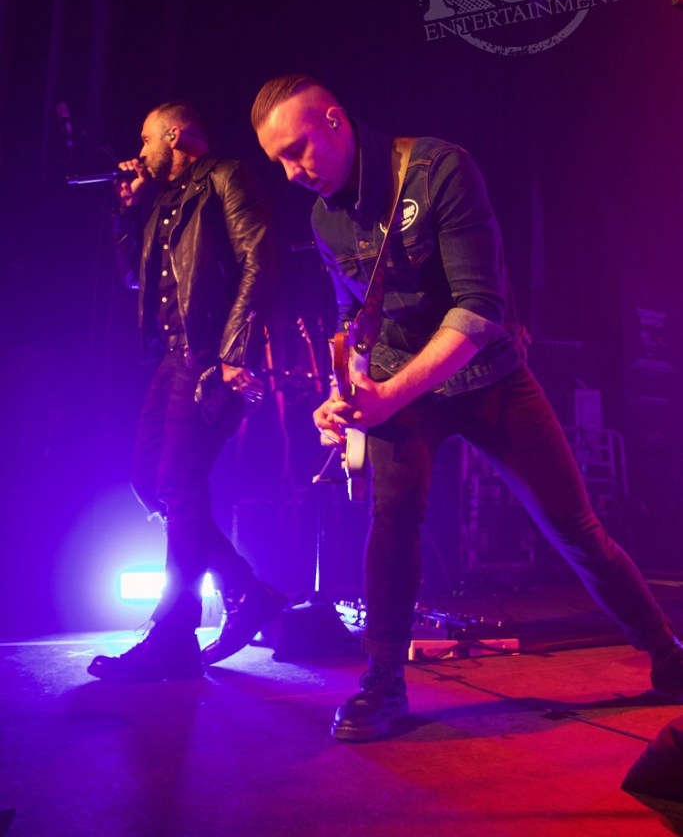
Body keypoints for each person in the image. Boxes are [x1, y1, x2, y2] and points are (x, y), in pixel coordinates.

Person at [251, 74, 683, 741]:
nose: (290, 173)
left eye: (296, 149)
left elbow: (480, 309)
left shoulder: (438, 169)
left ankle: (667, 653)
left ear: (334, 120)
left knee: (574, 528)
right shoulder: (323, 217)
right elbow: (353, 321)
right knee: (392, 519)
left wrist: (389, 395)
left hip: (485, 375)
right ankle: (383, 682)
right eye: (277, 160)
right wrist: (345, 393)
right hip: (397, 377)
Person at [88, 101, 286, 682]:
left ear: (173, 135)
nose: (140, 151)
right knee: (149, 480)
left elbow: (259, 258)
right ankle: (246, 590)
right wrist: (126, 213)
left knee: (178, 483)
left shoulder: (225, 177)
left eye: (145, 138)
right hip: (172, 357)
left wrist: (232, 352)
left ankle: (174, 633)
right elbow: (135, 277)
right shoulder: (162, 205)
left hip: (209, 354)